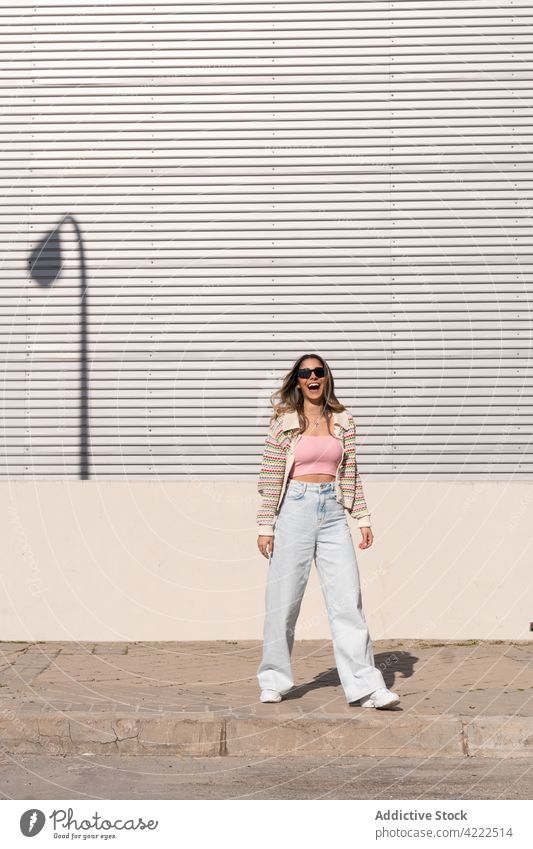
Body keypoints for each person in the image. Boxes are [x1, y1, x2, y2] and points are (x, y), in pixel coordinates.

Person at [256, 353, 400, 709]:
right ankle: (274, 679)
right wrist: (266, 525)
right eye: (305, 373)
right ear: (298, 382)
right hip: (294, 511)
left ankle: (366, 687)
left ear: (326, 378)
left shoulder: (343, 421)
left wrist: (362, 518)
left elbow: (351, 473)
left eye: (318, 372)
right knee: (283, 601)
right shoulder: (283, 423)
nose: (312, 377)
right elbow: (271, 478)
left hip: (333, 512)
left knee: (348, 601)